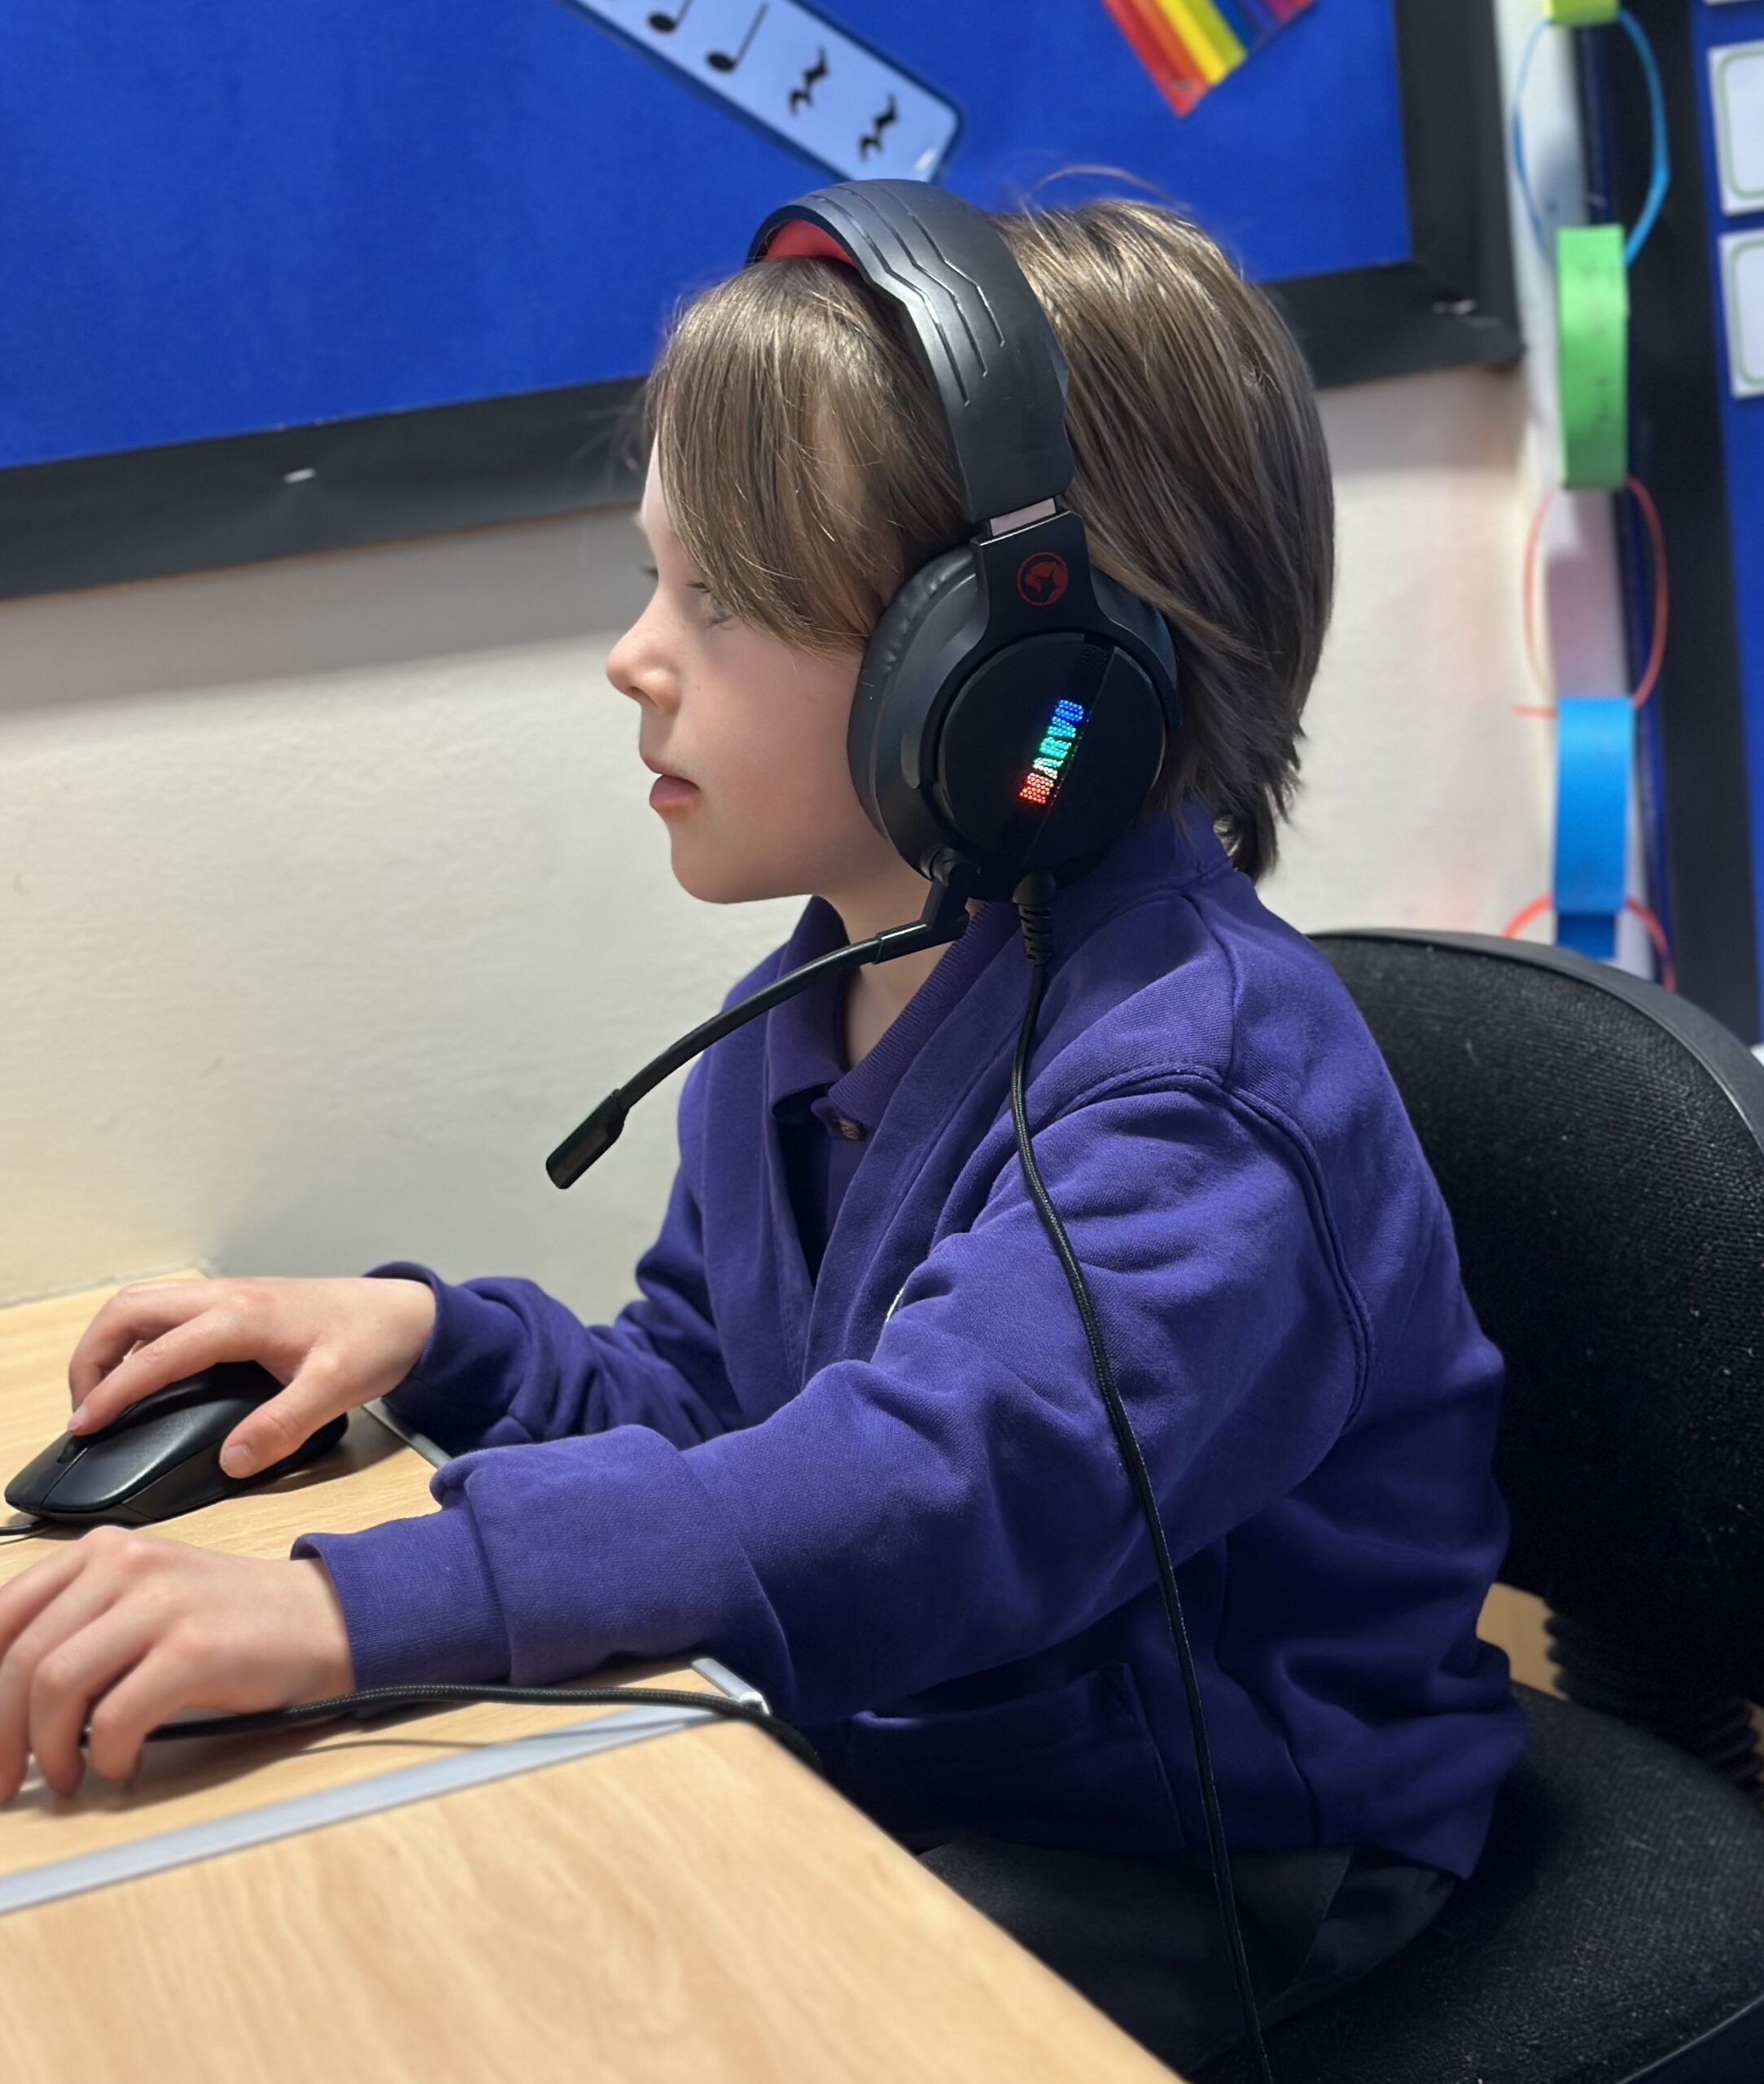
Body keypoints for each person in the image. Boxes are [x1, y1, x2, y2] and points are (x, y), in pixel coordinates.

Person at [0, 190, 1525, 2077]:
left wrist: (343, 1610)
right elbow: (726, 1401)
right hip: (929, 1738)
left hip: (1208, 1847)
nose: (632, 656)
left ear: (1007, 686)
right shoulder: (808, 1000)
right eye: (656, 579)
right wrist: (440, 1343)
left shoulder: (1200, 1099)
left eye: (717, 601)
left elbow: (922, 1497)